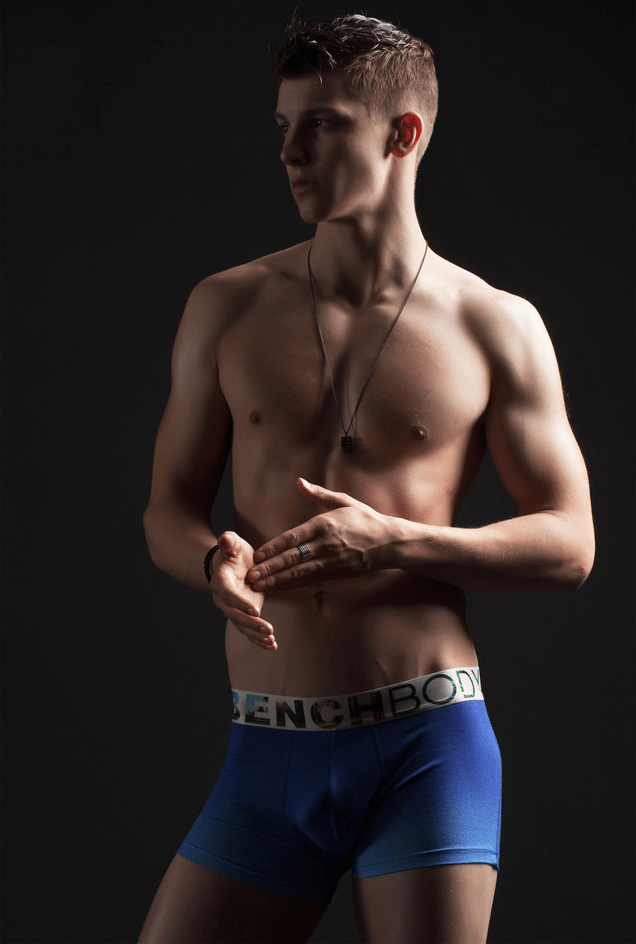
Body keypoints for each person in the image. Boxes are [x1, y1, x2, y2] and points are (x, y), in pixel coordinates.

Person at [138, 14, 594, 944]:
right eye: (283, 127)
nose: (290, 152)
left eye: (322, 125)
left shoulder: (493, 324)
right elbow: (167, 512)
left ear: (403, 134)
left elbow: (570, 542)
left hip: (426, 745)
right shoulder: (226, 306)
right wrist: (211, 561)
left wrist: (395, 542)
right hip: (270, 745)